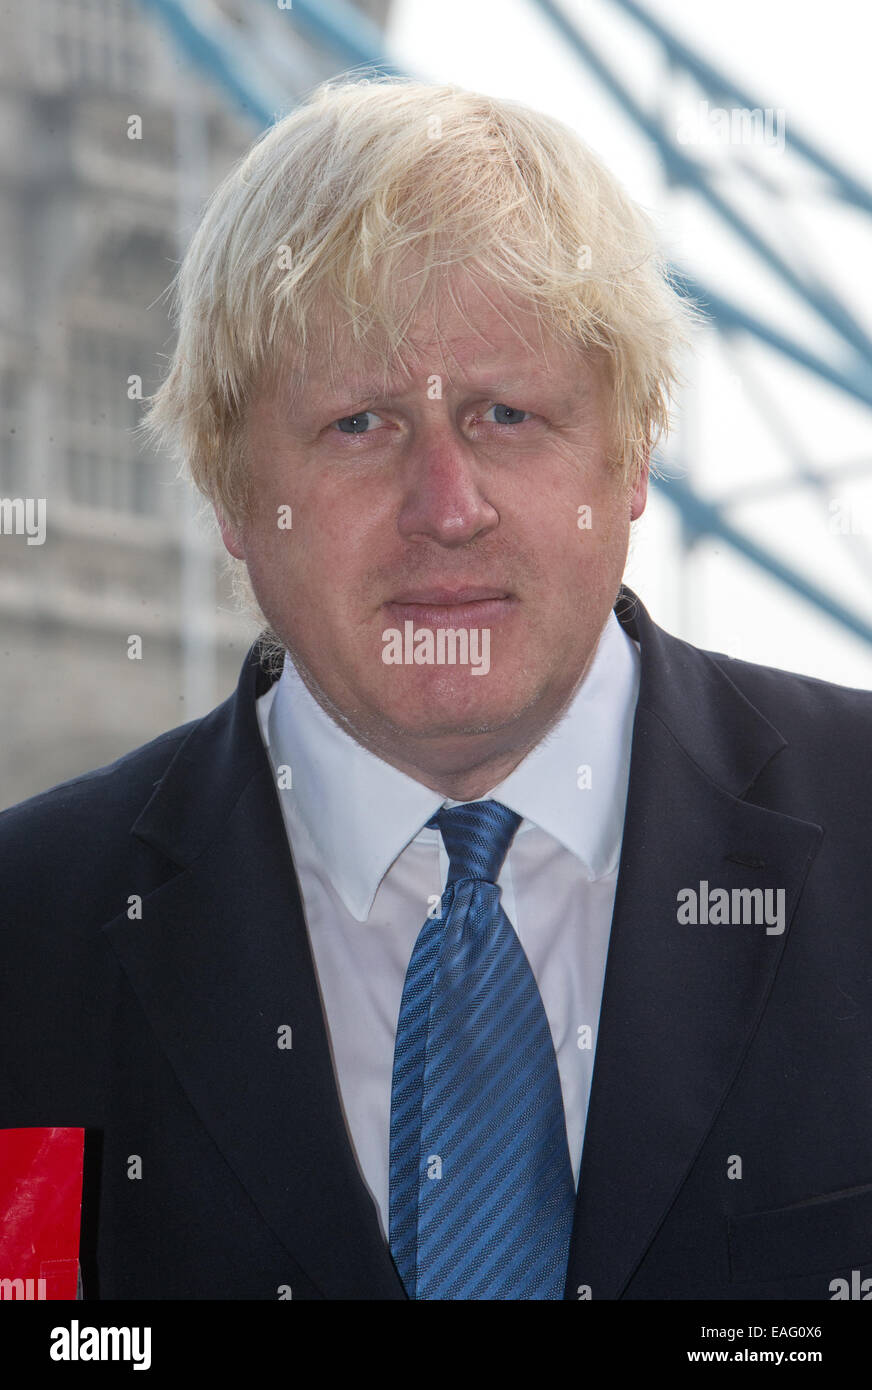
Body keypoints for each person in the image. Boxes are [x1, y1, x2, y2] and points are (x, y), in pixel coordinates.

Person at [1, 76, 870, 1302]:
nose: (447, 508)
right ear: (230, 492)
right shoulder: (25, 935)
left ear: (629, 458)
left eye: (506, 414)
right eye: (359, 424)